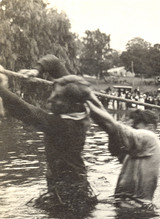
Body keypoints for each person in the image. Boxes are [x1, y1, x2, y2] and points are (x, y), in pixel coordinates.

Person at [0, 56, 96, 209]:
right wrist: (36, 70)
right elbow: (54, 61)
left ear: (72, 104)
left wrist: (1, 88)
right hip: (68, 184)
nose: (50, 99)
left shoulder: (64, 126)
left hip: (69, 190)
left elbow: (24, 110)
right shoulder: (77, 104)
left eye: (57, 97)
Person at [85, 96, 160, 205]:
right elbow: (114, 146)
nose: (130, 131)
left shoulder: (149, 138)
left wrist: (85, 100)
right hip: (126, 203)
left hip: (136, 206)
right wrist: (91, 99)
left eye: (134, 128)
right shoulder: (135, 147)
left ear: (150, 127)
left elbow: (112, 127)